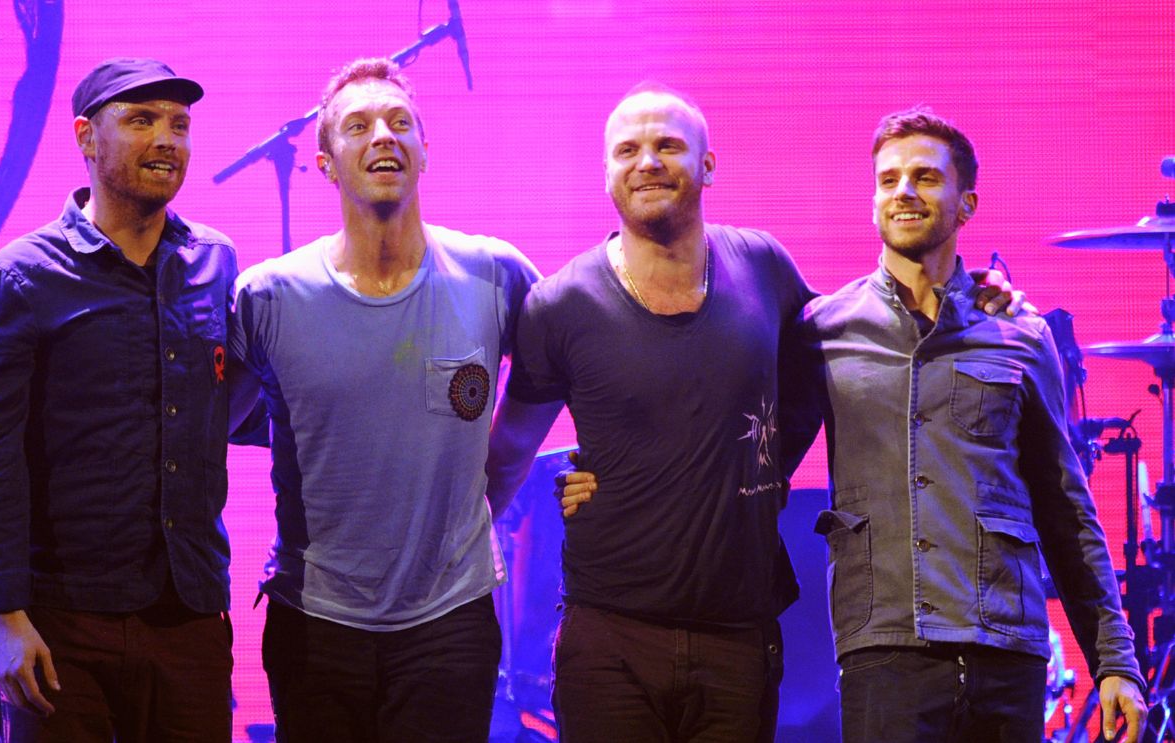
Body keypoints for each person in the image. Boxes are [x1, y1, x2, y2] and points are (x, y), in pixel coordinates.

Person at [513, 86, 1024, 742]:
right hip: (609, 635)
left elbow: (857, 337)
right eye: (627, 150)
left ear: (707, 164)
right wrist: (562, 483)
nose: (646, 161)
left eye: (667, 145)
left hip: (737, 633)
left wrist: (966, 292)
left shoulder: (761, 266)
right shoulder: (559, 303)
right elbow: (508, 450)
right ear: (605, 172)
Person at [783, 108, 1146, 743]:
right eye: (888, 179)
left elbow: (1066, 508)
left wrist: (1114, 661)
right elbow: (752, 459)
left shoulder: (1019, 333)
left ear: (966, 201)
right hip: (885, 645)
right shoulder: (823, 330)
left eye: (924, 177)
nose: (904, 192)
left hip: (1005, 647)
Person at [227, 58, 558, 743]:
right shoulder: (267, 297)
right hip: (314, 621)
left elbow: (556, 372)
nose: (383, 134)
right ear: (324, 163)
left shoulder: (495, 274)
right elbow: (215, 418)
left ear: (425, 151)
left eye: (399, 122)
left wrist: (497, 478)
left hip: (450, 620)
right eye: (358, 125)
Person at [0, 58, 239, 742]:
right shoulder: (19, 278)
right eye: (142, 121)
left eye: (179, 124)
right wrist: (6, 616)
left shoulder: (215, 261)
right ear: (86, 136)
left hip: (189, 614)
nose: (167, 139)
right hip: (60, 623)